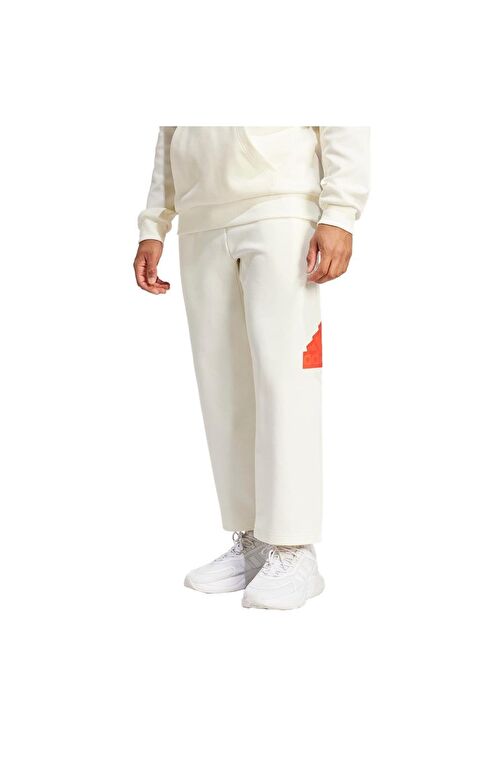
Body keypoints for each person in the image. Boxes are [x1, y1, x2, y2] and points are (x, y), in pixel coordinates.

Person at [134, 127, 370, 610]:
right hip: (201, 215)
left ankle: (293, 547)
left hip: (279, 204)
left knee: (286, 382)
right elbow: (170, 130)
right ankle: (255, 541)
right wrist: (154, 223)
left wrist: (339, 213)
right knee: (223, 388)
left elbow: (343, 116)